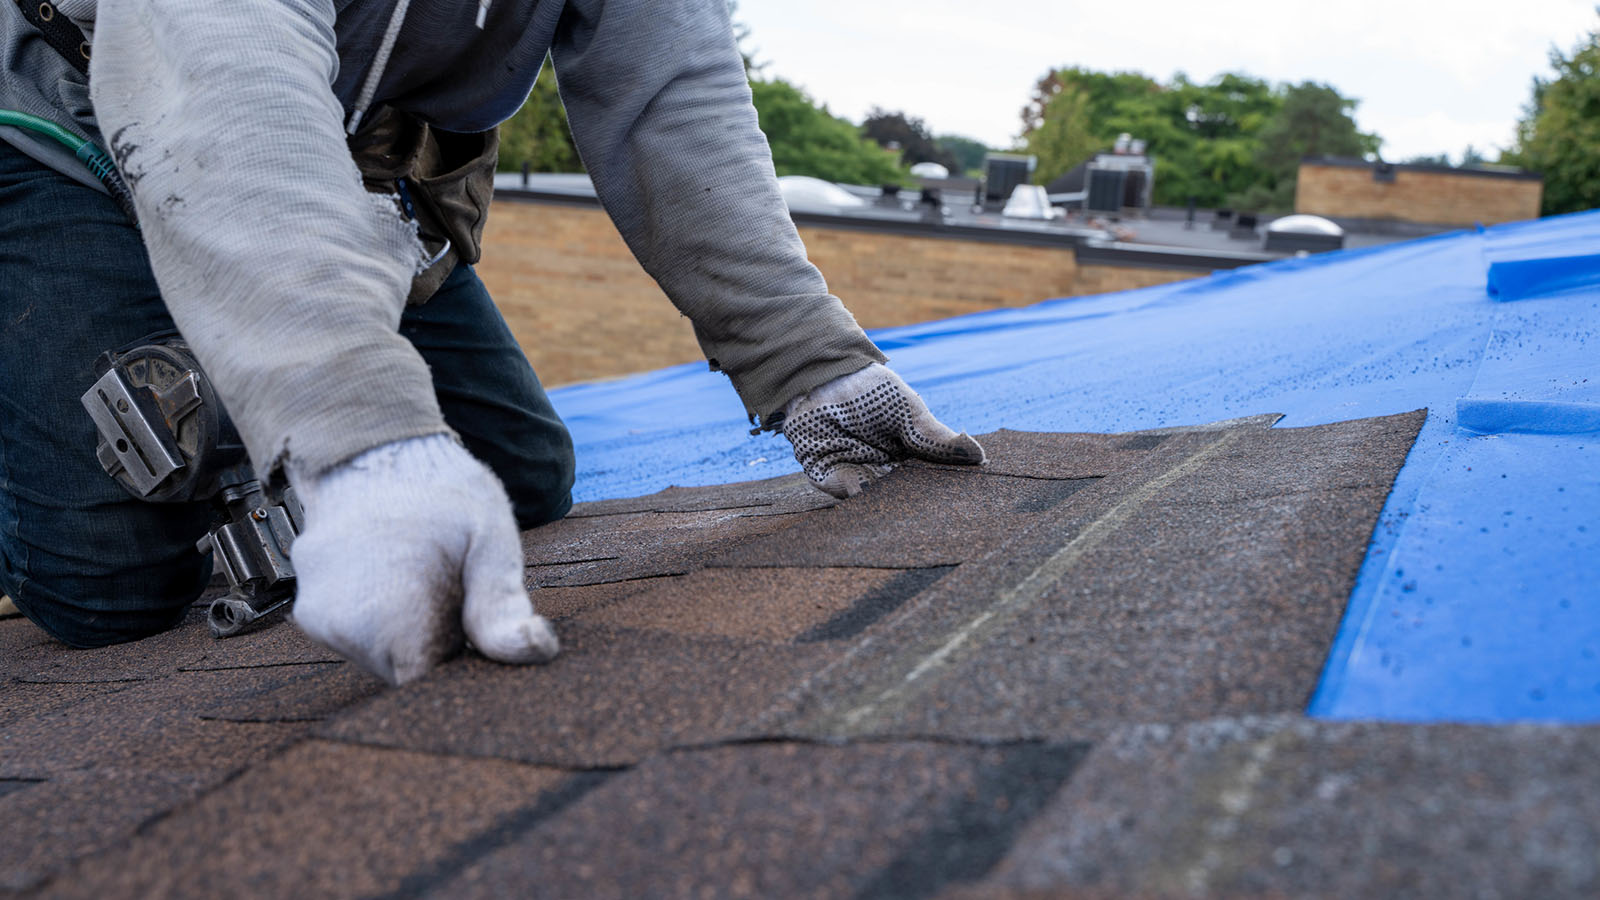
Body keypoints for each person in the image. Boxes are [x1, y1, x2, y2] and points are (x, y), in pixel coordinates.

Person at [0, 0, 985, 684]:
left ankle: (221, 360)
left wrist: (809, 364)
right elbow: (217, 72)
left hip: (341, 152)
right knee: (109, 586)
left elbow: (667, 97)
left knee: (517, 478)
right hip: (78, 126)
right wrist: (356, 440)